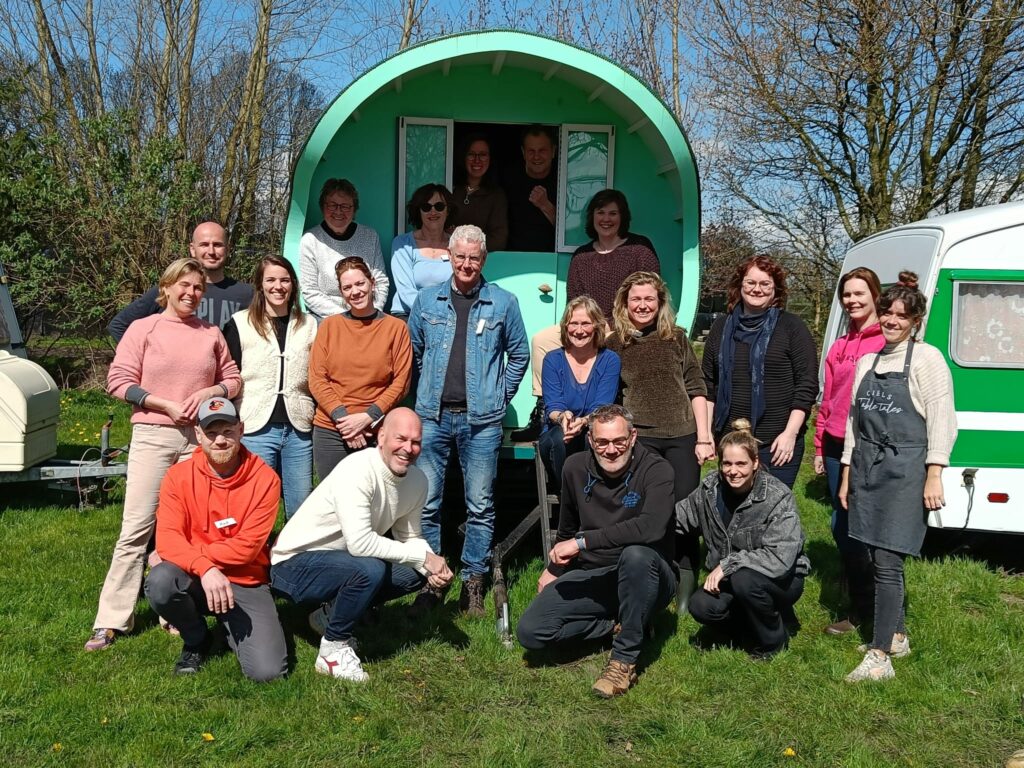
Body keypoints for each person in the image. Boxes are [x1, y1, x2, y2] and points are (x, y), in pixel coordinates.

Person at [87, 258, 241, 651]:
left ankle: (175, 608)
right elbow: (118, 382)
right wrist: (163, 405)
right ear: (167, 287)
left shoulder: (210, 334)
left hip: (197, 443)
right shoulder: (144, 329)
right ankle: (111, 619)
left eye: (198, 288)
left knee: (188, 531)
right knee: (136, 528)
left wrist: (211, 393)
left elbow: (233, 379)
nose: (191, 294)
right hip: (154, 436)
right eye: (184, 286)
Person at [271, 408, 454, 681]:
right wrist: (423, 557)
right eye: (400, 439)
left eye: (416, 441)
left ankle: (327, 616)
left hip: (343, 562)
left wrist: (432, 568)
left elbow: (409, 537)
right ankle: (332, 649)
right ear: (381, 436)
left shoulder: (417, 480)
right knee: (370, 569)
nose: (408, 448)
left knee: (414, 571)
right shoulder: (358, 469)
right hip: (292, 564)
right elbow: (360, 544)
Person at [838, 272, 957, 682]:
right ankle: (898, 634)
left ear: (915, 322)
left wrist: (934, 474)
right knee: (873, 554)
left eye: (901, 316)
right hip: (867, 467)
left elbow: (944, 421)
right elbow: (855, 423)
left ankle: (879, 654)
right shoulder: (868, 361)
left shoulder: (928, 359)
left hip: (906, 469)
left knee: (888, 559)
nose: (891, 321)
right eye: (887, 312)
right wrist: (847, 473)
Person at [406, 224, 529, 616]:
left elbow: (520, 355)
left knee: (480, 505)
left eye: (474, 257)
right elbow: (415, 353)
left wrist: (497, 394)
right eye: (460, 256)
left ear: (484, 260)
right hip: (433, 418)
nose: (466, 264)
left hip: (482, 423)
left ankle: (472, 581)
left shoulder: (504, 302)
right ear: (449, 256)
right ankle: (432, 578)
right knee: (427, 503)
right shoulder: (426, 302)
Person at [516, 405, 677, 698]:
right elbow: (567, 527)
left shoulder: (657, 470)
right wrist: (554, 569)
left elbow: (650, 527)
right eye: (602, 442)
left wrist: (582, 542)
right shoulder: (575, 468)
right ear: (590, 439)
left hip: (648, 576)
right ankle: (620, 623)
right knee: (531, 632)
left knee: (636, 555)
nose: (611, 450)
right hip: (595, 574)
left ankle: (623, 661)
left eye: (619, 441)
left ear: (633, 437)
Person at [144, 397, 287, 680]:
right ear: (198, 435)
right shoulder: (177, 476)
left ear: (241, 429)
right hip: (195, 577)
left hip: (246, 579)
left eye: (227, 431)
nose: (219, 440)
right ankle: (197, 639)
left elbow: (246, 548)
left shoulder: (266, 479)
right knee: (161, 581)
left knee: (268, 673)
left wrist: (192, 555)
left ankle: (230, 623)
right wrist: (205, 568)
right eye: (211, 433)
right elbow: (168, 537)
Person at [514, 189, 660, 442]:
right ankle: (543, 409)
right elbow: (574, 299)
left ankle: (601, 414)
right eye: (600, 212)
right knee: (541, 340)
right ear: (592, 217)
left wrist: (614, 323)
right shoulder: (582, 255)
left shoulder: (639, 248)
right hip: (590, 323)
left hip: (623, 325)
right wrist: (589, 324)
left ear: (622, 217)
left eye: (613, 213)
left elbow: (651, 291)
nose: (606, 219)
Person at [606, 271, 713, 611]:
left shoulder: (677, 338)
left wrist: (704, 438)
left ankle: (685, 588)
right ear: (625, 303)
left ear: (660, 302)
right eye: (635, 299)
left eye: (649, 299)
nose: (642, 305)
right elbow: (610, 398)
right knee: (644, 512)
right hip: (641, 442)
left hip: (682, 437)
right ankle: (649, 579)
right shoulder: (614, 344)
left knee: (685, 513)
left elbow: (697, 388)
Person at [675, 419, 810, 659]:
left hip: (781, 579)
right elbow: (681, 517)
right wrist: (646, 521)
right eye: (727, 463)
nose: (733, 471)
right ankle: (750, 628)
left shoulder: (778, 497)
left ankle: (773, 643)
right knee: (701, 606)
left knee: (745, 580)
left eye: (741, 463)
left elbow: (780, 558)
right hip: (732, 579)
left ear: (755, 463)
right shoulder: (709, 491)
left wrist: (728, 564)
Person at [702, 254, 818, 488]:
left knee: (771, 514)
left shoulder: (792, 327)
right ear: (740, 286)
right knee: (733, 513)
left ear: (776, 289)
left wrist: (790, 434)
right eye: (751, 283)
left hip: (777, 443)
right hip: (731, 443)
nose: (757, 289)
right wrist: (705, 436)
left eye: (765, 284)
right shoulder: (721, 327)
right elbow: (708, 384)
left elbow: (806, 385)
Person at [813, 267, 885, 635]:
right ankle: (857, 598)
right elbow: (828, 399)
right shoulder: (840, 345)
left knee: (859, 526)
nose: (853, 300)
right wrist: (819, 443)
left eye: (860, 293)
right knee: (841, 525)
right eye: (847, 295)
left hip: (867, 445)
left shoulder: (885, 343)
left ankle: (868, 609)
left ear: (875, 295)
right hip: (835, 442)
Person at [222, 256, 317, 519]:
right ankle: (254, 558)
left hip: (298, 428)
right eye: (271, 280)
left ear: (293, 285)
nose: (278, 286)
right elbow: (229, 373)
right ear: (260, 285)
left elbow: (318, 373)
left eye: (285, 280)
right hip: (256, 427)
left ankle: (294, 558)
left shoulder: (309, 325)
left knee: (301, 506)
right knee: (255, 504)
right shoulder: (240, 323)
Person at [308, 256, 412, 481]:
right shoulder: (329, 327)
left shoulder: (396, 329)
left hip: (376, 432)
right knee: (334, 503)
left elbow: (401, 383)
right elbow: (317, 379)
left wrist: (368, 417)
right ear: (341, 292)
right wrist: (345, 421)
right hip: (332, 430)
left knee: (376, 503)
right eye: (347, 287)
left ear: (372, 283)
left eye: (360, 283)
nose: (355, 291)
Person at [108, 221, 253, 341]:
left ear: (227, 249)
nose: (211, 251)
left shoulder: (248, 294)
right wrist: (144, 360)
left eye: (217, 245)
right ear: (192, 249)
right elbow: (118, 325)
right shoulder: (170, 290)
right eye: (204, 244)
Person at [537, 295, 620, 491]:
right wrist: (563, 418)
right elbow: (553, 405)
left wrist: (583, 421)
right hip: (557, 429)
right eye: (573, 323)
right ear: (566, 327)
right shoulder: (553, 360)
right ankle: (571, 499)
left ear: (597, 326)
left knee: (589, 438)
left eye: (586, 323)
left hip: (593, 425)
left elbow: (602, 406)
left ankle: (591, 499)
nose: (579, 330)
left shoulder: (609, 360)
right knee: (560, 439)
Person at [299, 178, 389, 321]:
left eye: (345, 206)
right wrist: (347, 317)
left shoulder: (370, 236)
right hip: (327, 317)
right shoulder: (310, 240)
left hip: (369, 314)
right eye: (332, 205)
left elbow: (381, 281)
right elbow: (309, 291)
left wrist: (373, 312)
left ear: (354, 210)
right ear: (323, 207)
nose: (338, 211)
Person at [390, 183, 456, 317]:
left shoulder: (457, 245)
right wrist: (435, 314)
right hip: (408, 314)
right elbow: (406, 291)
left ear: (448, 210)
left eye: (439, 206)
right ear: (418, 212)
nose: (433, 212)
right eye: (426, 207)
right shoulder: (403, 244)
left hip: (448, 315)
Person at [450, 135, 508, 252]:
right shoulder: (450, 188)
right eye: (471, 154)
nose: (477, 160)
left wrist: (467, 250)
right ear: (463, 157)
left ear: (490, 159)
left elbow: (499, 239)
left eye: (483, 154)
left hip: (481, 261)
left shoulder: (497, 195)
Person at [505, 125, 557, 252]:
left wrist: (545, 205)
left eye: (542, 150)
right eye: (531, 151)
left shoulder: (565, 181)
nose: (536, 156)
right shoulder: (507, 180)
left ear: (553, 151)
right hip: (511, 258)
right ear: (523, 152)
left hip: (552, 260)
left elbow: (572, 233)